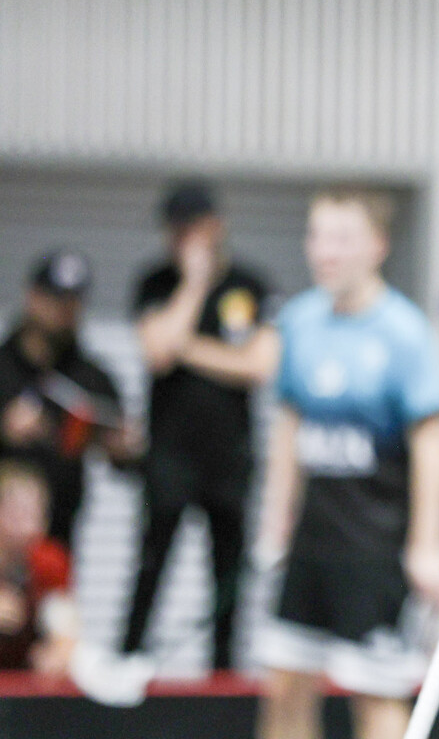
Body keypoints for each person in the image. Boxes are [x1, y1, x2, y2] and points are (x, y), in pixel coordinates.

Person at [255, 188, 439, 739]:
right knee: (285, 688)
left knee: (376, 697)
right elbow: (289, 425)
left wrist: (425, 546)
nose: (326, 252)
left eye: (342, 238)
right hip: (309, 545)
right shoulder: (298, 322)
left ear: (377, 246)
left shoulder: (404, 332)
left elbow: (431, 443)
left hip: (375, 550)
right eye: (317, 236)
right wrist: (275, 521)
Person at [117, 181, 278, 674]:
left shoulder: (250, 284)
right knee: (151, 562)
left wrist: (184, 345)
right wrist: (193, 284)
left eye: (194, 227)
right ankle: (129, 661)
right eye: (176, 229)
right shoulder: (156, 283)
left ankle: (224, 674)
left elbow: (258, 365)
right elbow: (156, 353)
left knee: (227, 571)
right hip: (169, 455)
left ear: (216, 226)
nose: (184, 238)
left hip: (229, 456)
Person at [0, 249, 141, 551]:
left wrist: (122, 448)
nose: (64, 311)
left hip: (60, 530)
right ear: (32, 297)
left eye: (73, 301)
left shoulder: (91, 377)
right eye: (56, 299)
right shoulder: (4, 366)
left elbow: (128, 459)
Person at [0, 458, 76, 674]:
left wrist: (58, 650)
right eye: (16, 510)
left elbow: (65, 631)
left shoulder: (50, 560)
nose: (25, 521)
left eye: (33, 511)